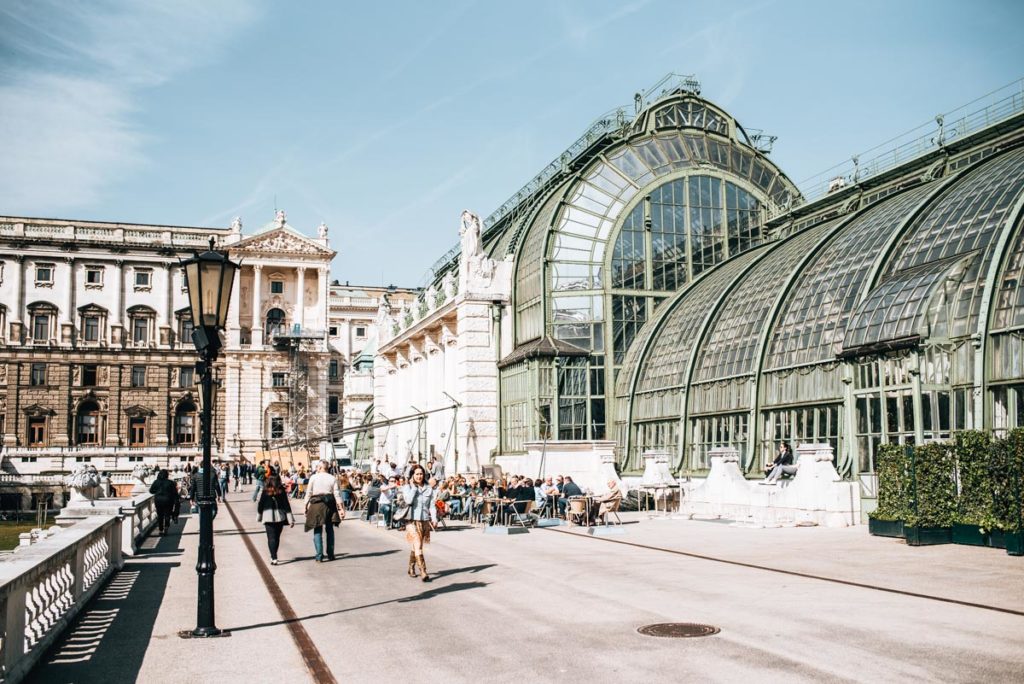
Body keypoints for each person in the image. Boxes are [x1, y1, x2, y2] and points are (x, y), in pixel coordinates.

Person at [400, 464, 437, 581]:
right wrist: (414, 487)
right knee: (418, 546)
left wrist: (434, 518)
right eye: (417, 474)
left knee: (416, 546)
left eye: (421, 474)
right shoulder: (407, 487)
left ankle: (411, 567)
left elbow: (431, 506)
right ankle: (423, 571)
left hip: (424, 520)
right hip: (411, 520)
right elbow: (408, 500)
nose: (419, 476)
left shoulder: (429, 488)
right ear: (412, 475)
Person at [303, 460, 344, 562]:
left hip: (316, 505)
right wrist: (341, 509)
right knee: (329, 530)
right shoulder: (332, 478)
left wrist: (305, 507)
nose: (317, 468)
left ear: (320, 467)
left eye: (317, 467)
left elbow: (308, 493)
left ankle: (319, 555)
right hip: (330, 505)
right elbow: (337, 494)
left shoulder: (313, 477)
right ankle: (330, 554)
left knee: (317, 530)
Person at [258, 475, 295, 565]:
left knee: (271, 538)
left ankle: (273, 557)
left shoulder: (265, 492)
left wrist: (259, 516)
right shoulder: (281, 491)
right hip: (280, 517)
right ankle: (274, 555)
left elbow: (260, 504)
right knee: (276, 538)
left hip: (268, 517)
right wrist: (290, 519)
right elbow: (286, 505)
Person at [149, 469, 178, 535]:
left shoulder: (156, 482)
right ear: (167, 475)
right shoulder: (170, 482)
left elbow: (151, 491)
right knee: (167, 514)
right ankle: (166, 527)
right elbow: (174, 493)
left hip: (158, 500)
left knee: (160, 515)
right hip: (168, 500)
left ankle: (160, 530)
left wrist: (156, 491)